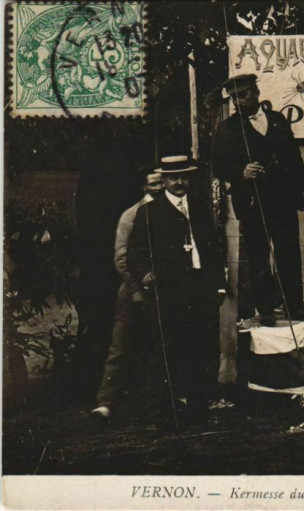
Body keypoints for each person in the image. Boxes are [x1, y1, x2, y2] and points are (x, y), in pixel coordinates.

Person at [127, 155, 227, 428]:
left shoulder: (200, 209)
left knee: (201, 352)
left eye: (184, 177)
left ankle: (198, 413)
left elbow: (213, 250)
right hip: (169, 294)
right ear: (164, 181)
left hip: (201, 291)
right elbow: (134, 253)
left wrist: (219, 286)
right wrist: (145, 274)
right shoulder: (150, 212)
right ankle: (159, 415)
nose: (179, 182)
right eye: (174, 178)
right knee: (165, 354)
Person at [212, 74, 304, 326]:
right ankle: (266, 310)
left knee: (288, 253)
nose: (239, 101)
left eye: (243, 95)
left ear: (257, 92)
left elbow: (293, 157)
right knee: (258, 255)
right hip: (251, 201)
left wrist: (303, 189)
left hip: (282, 199)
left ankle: (294, 308)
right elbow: (218, 165)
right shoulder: (228, 128)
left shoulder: (278, 120)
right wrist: (241, 171)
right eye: (234, 97)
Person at [90, 170, 163, 420]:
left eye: (161, 182)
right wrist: (137, 290)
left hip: (162, 290)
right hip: (134, 291)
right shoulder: (131, 215)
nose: (159, 187)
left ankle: (159, 401)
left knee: (160, 346)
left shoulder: (169, 212)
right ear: (144, 187)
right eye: (153, 183)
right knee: (120, 346)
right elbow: (121, 259)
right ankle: (105, 401)